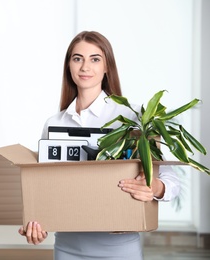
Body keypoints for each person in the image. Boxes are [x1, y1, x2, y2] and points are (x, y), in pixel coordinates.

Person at [18, 31, 180, 259]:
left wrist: (154, 188)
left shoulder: (133, 117)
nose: (85, 67)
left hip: (119, 249)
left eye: (95, 59)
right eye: (77, 58)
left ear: (107, 67)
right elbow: (46, 187)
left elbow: (172, 183)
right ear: (68, 66)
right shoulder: (54, 123)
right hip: (67, 247)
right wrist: (37, 223)